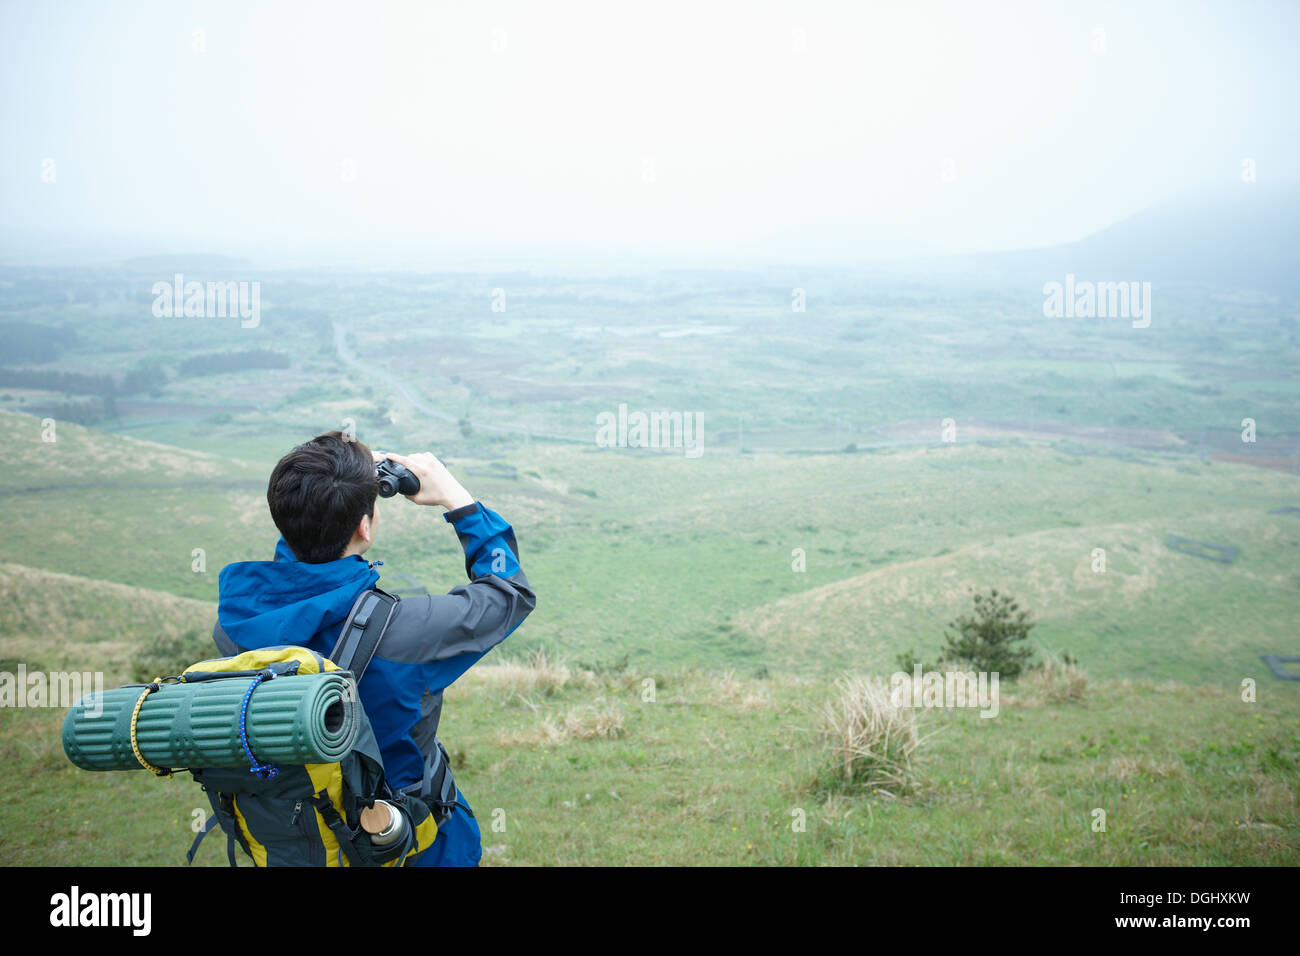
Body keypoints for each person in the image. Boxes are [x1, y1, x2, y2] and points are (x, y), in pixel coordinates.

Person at [211, 431, 535, 866]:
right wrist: (458, 500)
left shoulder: (236, 628)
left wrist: (321, 497)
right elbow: (507, 593)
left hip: (303, 844)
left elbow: (297, 573)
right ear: (365, 526)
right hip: (413, 850)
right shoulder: (406, 632)